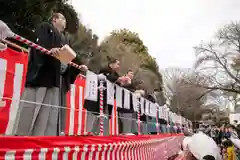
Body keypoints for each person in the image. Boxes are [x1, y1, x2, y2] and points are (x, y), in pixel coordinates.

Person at [13, 13, 87, 136]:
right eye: (62, 18)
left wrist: (79, 66)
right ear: (54, 19)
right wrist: (49, 49)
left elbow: (72, 56)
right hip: (42, 75)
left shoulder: (66, 38)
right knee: (31, 106)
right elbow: (41, 43)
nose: (65, 21)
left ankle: (41, 137)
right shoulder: (46, 27)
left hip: (56, 78)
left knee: (48, 113)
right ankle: (20, 135)